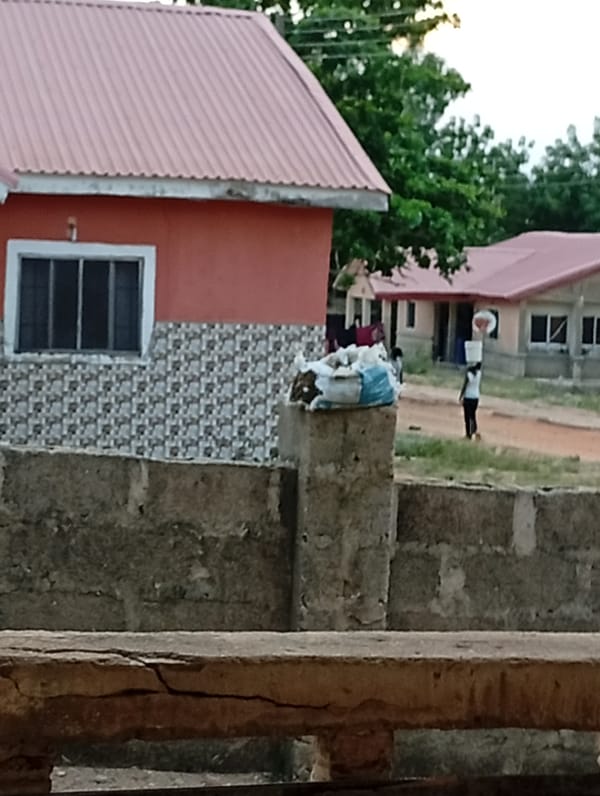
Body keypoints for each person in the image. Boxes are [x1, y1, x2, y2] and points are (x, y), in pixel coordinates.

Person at [459, 361, 482, 440]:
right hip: (476, 397)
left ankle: (468, 434)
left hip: (468, 397)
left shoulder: (469, 374)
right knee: (472, 416)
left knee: (467, 417)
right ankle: (474, 432)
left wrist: (461, 396)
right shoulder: (479, 373)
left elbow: (465, 385)